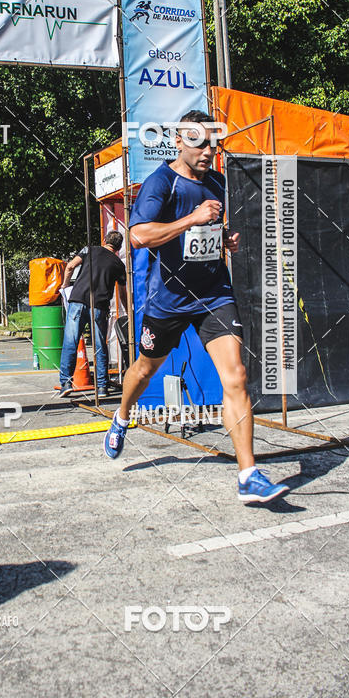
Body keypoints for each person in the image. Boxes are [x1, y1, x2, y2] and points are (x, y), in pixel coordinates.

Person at [104, 110, 291, 503]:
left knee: (236, 376)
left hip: (213, 294)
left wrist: (225, 239)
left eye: (212, 143)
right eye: (199, 142)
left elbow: (211, 230)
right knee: (144, 369)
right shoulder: (161, 182)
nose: (207, 151)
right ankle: (121, 416)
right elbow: (138, 236)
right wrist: (191, 218)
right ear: (179, 142)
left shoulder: (217, 182)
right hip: (169, 300)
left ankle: (248, 475)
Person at [57, 231, 127, 398]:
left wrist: (65, 286)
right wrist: (127, 311)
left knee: (70, 342)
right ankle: (102, 386)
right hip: (99, 306)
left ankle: (66, 383)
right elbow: (122, 292)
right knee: (100, 345)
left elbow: (70, 266)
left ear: (104, 240)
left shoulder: (89, 249)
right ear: (119, 248)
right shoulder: (119, 265)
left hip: (78, 300)